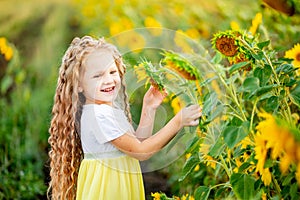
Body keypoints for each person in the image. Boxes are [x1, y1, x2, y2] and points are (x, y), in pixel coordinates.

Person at [47, 35, 202, 200]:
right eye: (97, 76)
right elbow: (142, 152)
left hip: (116, 185)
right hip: (109, 190)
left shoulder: (106, 110)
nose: (109, 80)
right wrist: (178, 121)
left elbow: (137, 144)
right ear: (78, 84)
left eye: (112, 72)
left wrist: (149, 107)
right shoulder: (99, 115)